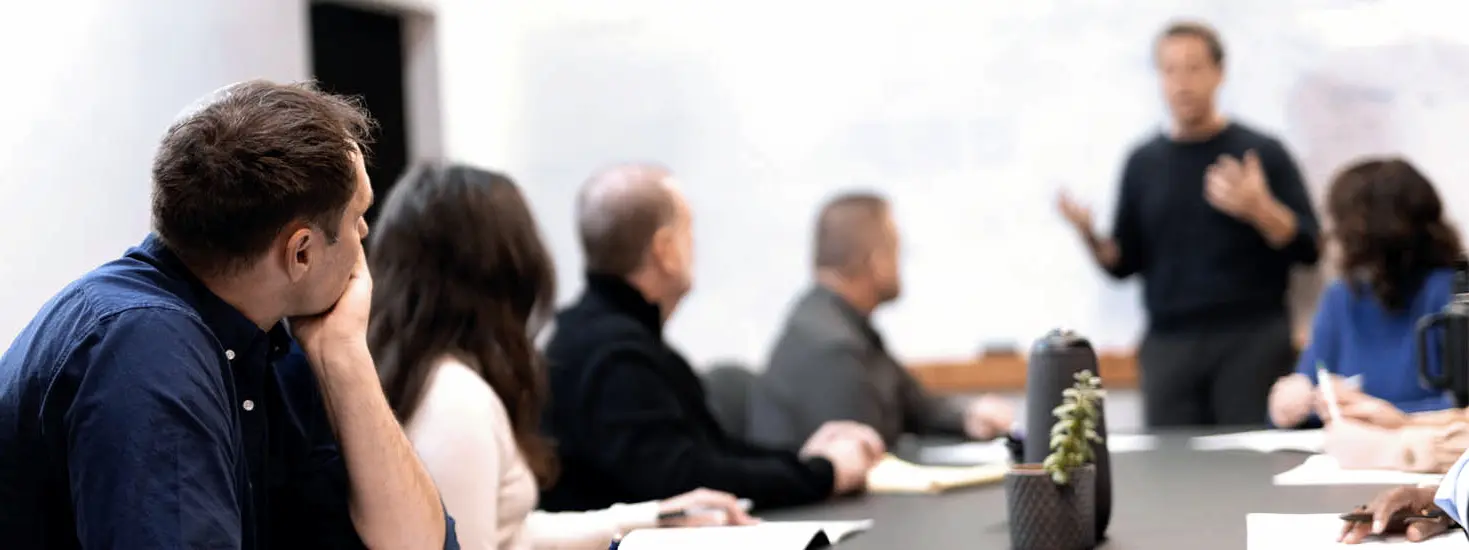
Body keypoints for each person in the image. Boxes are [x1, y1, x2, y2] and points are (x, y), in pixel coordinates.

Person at [0, 80, 454, 549]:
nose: (365, 233)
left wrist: (344, 355)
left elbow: (418, 543)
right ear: (301, 253)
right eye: (358, 215)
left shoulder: (278, 345)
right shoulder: (145, 350)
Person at [367, 163, 754, 549]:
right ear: (510, 265)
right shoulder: (454, 400)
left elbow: (513, 533)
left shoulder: (437, 382)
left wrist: (654, 518)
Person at [539, 163, 883, 513]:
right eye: (689, 231)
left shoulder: (607, 337)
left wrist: (806, 460)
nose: (695, 246)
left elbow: (709, 453)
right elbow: (686, 479)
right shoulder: (613, 354)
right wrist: (824, 473)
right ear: (665, 251)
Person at [1056, 20, 1321, 427]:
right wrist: (1088, 234)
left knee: (1250, 464)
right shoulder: (1142, 162)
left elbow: (1309, 248)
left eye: (1194, 68)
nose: (1182, 82)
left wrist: (1260, 208)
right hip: (1169, 342)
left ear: (1219, 73)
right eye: (1170, 70)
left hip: (1252, 337)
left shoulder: (1260, 152)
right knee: (1170, 468)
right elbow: (1124, 263)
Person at [748, 192, 1015, 449]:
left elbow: (914, 404)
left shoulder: (848, 327)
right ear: (878, 262)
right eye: (897, 250)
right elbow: (863, 459)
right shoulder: (832, 349)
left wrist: (968, 415)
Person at [1269, 158, 1462, 430]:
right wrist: (1289, 405)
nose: (1334, 235)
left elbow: (1460, 408)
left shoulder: (1450, 293)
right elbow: (1309, 388)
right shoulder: (1342, 296)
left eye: (1341, 224)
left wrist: (1391, 417)